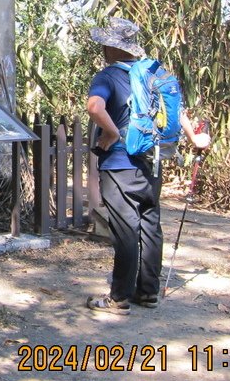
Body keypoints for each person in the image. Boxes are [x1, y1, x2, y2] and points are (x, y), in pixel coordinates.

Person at [85, 17, 210, 314]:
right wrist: (194, 138)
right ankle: (148, 293)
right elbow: (176, 111)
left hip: (119, 164)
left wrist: (112, 132)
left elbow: (94, 107)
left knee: (126, 229)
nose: (103, 47)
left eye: (106, 42)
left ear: (113, 47)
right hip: (151, 163)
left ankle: (119, 299)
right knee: (150, 225)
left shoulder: (108, 76)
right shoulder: (155, 74)